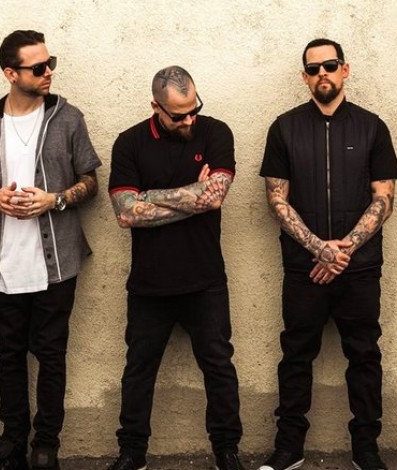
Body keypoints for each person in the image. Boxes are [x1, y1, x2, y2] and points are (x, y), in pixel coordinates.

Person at [258, 39, 397, 470]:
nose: (323, 72)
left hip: (360, 269)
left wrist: (344, 250)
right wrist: (320, 249)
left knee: (364, 355)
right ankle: (289, 447)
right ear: (304, 77)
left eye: (330, 64)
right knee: (296, 355)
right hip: (304, 268)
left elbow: (384, 198)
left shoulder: (372, 127)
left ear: (345, 69)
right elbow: (276, 199)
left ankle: (366, 448)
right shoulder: (284, 128)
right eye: (313, 68)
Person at [0, 30, 101, 470]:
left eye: (50, 63)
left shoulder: (68, 118)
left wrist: (55, 199)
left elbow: (91, 182)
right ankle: (12, 442)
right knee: (9, 355)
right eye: (38, 67)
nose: (48, 72)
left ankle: (46, 446)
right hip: (4, 263)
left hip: (56, 262)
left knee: (51, 354)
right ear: (10, 73)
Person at [106, 65, 244, 470]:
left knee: (218, 366)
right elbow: (125, 213)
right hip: (150, 284)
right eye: (178, 115)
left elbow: (215, 196)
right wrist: (192, 196)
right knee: (138, 371)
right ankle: (132, 453)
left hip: (205, 279)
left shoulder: (215, 132)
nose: (189, 121)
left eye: (193, 109)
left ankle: (226, 451)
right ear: (156, 107)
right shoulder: (129, 142)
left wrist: (149, 198)